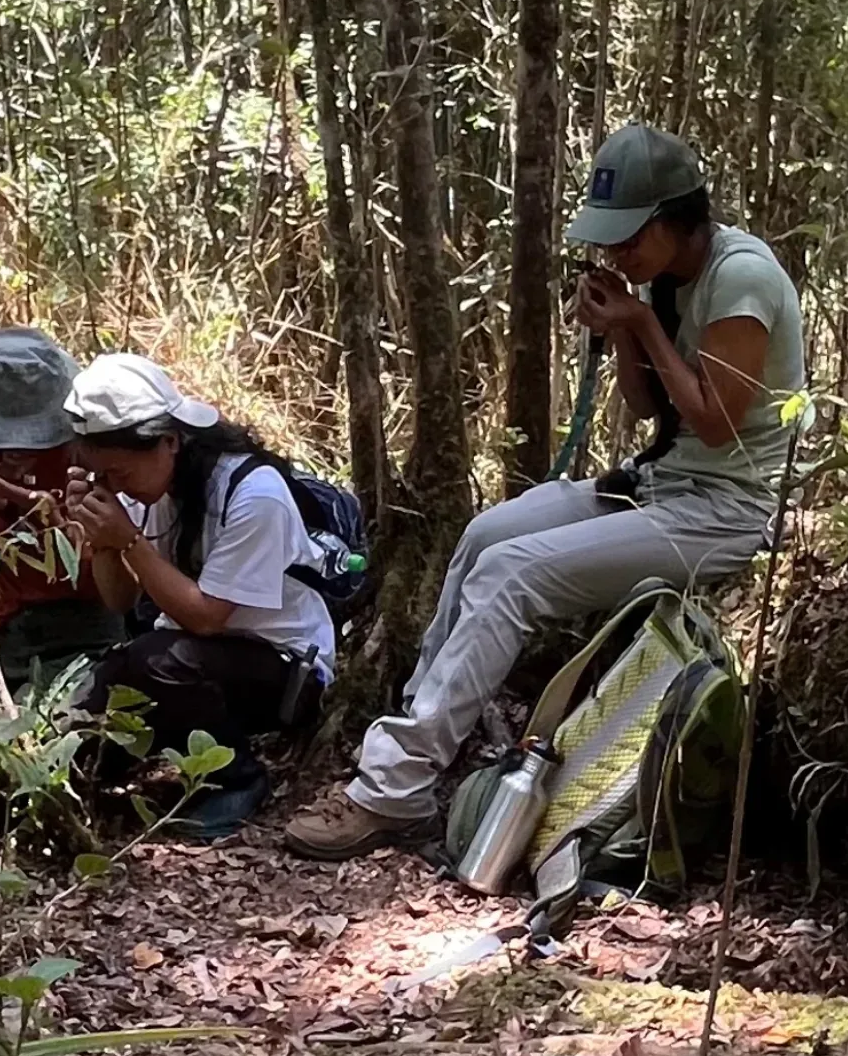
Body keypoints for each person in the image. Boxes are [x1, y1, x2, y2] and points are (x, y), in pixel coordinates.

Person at [285, 124, 803, 859]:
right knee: (486, 536)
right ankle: (413, 731)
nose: (616, 253)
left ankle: (390, 792)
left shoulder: (741, 276)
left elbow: (718, 424)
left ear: (675, 219)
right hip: (660, 485)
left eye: (629, 238)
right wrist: (625, 326)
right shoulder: (665, 281)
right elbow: (651, 407)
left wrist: (641, 327)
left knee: (513, 574)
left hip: (729, 510)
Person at [61, 353, 335, 789]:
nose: (113, 485)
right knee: (91, 710)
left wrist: (127, 538)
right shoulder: (142, 487)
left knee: (155, 662)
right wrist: (103, 541)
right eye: (101, 475)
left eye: (119, 472)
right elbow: (119, 601)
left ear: (170, 440)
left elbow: (206, 617)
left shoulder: (255, 494)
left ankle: (241, 781)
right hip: (192, 657)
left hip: (284, 666)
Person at [0, 328, 124, 674]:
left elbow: (104, 564)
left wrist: (42, 511)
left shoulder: (85, 449)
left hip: (86, 619)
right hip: (7, 622)